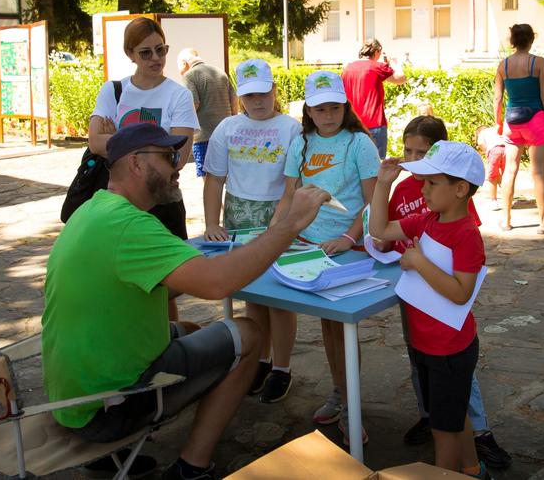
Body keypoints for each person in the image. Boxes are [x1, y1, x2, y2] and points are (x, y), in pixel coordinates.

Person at [42, 123, 330, 480]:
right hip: (107, 409)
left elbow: (169, 284)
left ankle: (111, 459)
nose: (178, 165)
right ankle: (191, 466)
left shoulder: (92, 210)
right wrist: (288, 226)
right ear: (135, 164)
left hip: (72, 398)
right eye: (166, 157)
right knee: (249, 332)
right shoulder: (131, 227)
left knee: (191, 329)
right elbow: (217, 284)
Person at [382, 117, 511, 469]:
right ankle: (473, 469)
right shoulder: (427, 220)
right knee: (454, 421)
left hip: (450, 350)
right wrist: (382, 186)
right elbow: (379, 228)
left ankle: (448, 473)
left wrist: (419, 263)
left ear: (459, 189)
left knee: (443, 430)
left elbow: (460, 292)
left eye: (432, 182)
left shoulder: (466, 234)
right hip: (426, 345)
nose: (422, 188)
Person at [270, 70, 380, 445]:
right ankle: (339, 392)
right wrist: (274, 237)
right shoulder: (301, 142)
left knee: (344, 329)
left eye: (335, 107)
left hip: (346, 247)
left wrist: (349, 237)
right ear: (309, 111)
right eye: (320, 109)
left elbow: (372, 202)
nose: (328, 115)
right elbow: (288, 197)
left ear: (345, 107)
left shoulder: (360, 144)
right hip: (308, 246)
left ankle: (351, 406)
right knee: (328, 327)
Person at [202, 59, 301, 403]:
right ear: (240, 96)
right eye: (249, 96)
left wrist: (287, 221)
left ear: (274, 90)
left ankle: (282, 368)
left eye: (263, 93)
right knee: (253, 296)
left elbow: (296, 182)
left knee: (281, 298)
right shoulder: (227, 128)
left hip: (277, 214)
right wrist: (212, 222)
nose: (257, 102)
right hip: (238, 219)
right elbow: (215, 179)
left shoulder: (291, 128)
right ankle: (260, 359)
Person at [89, 17, 198, 321]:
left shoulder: (179, 94)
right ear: (130, 54)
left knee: (165, 286)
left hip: (162, 197)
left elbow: (179, 154)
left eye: (161, 50)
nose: (156, 59)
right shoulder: (114, 91)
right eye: (145, 52)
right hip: (120, 201)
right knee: (120, 281)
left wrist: (117, 138)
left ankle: (167, 348)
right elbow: (93, 142)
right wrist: (153, 147)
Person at [494, 24, 544, 234]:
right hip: (536, 119)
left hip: (512, 121)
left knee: (510, 170)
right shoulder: (538, 63)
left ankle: (505, 220)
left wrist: (498, 122)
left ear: (512, 40)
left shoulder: (503, 65)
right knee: (538, 172)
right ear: (532, 39)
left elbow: (498, 98)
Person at [177, 48, 237, 177]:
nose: (180, 72)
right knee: (227, 175)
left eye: (179, 68)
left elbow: (193, 104)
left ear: (184, 63)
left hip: (204, 136)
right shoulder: (220, 72)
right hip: (226, 134)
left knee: (208, 178)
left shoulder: (190, 76)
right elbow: (234, 100)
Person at [342, 38, 406, 158]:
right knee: (376, 165)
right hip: (374, 123)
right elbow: (400, 78)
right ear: (376, 52)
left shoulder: (347, 69)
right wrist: (394, 62)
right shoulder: (376, 67)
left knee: (353, 163)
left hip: (351, 124)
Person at [475, 125, 507, 211]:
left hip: (494, 151)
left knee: (492, 177)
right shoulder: (495, 129)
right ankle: (507, 200)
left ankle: (494, 201)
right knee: (507, 176)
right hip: (507, 149)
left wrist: (487, 150)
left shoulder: (482, 133)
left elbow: (480, 143)